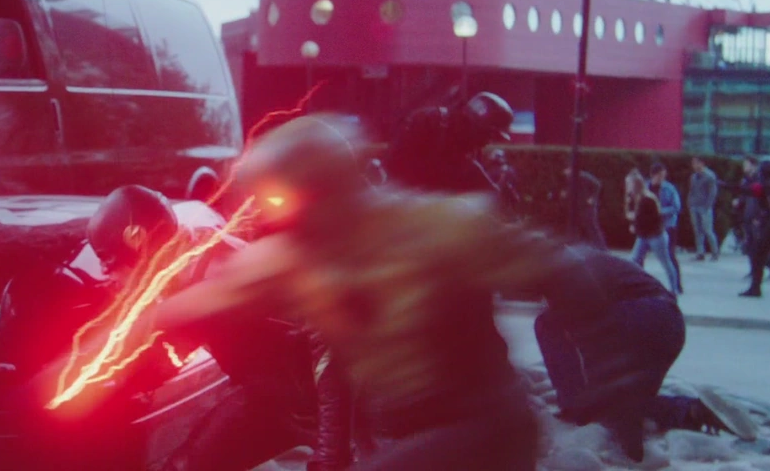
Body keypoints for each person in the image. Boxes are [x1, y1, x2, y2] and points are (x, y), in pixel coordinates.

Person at [151, 114, 605, 471]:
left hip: (481, 423)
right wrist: (138, 316)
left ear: (334, 189)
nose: (300, 228)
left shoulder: (436, 225)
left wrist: (606, 360)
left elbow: (556, 266)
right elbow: (197, 303)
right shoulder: (294, 256)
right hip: (400, 425)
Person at [84, 185, 353, 471]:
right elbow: (170, 351)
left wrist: (331, 450)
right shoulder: (180, 273)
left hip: (331, 405)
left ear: (137, 240)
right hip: (267, 399)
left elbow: (328, 344)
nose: (109, 276)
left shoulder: (220, 270)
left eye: (110, 262)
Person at [532, 245, 758, 461]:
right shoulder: (579, 257)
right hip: (670, 323)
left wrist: (586, 406)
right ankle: (694, 411)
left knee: (547, 325)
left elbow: (596, 340)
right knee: (631, 403)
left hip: (639, 319)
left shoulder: (565, 277)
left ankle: (575, 404)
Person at [383, 91, 514, 194]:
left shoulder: (469, 146)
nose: (488, 141)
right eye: (489, 134)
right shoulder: (428, 123)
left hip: (441, 211)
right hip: (407, 205)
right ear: (477, 127)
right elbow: (394, 169)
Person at [626, 169, 681, 295]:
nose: (627, 187)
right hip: (644, 235)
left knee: (665, 262)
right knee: (634, 260)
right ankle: (638, 286)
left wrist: (635, 220)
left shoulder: (647, 198)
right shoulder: (637, 197)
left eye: (629, 184)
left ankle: (674, 289)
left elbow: (652, 218)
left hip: (656, 235)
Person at [742, 158, 770, 297]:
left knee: (759, 255)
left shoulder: (767, 185)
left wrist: (726, 185)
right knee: (760, 255)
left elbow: (750, 191)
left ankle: (756, 287)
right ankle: (755, 287)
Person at [649, 163, 685, 294]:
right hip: (650, 226)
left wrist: (660, 211)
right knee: (638, 255)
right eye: (659, 176)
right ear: (653, 175)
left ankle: (677, 285)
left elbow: (676, 207)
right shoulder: (646, 187)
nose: (662, 178)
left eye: (663, 176)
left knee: (670, 254)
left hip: (668, 225)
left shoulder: (669, 188)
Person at [561, 165, 608, 249]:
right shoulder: (570, 179)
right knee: (580, 225)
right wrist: (566, 193)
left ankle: (601, 247)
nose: (566, 174)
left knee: (591, 225)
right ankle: (579, 244)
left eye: (567, 171)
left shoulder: (582, 176)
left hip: (588, 205)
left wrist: (592, 197)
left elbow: (597, 184)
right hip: (579, 206)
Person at [688, 157, 720, 261]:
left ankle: (715, 252)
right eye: (693, 164)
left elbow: (712, 193)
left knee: (708, 230)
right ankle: (700, 252)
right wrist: (690, 203)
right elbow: (691, 191)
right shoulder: (693, 177)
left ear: (702, 163)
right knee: (698, 231)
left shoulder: (709, 176)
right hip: (694, 206)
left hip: (704, 207)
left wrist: (708, 206)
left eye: (696, 163)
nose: (694, 166)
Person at [486, 149, 523, 219]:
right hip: (500, 195)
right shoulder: (504, 169)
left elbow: (514, 182)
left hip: (503, 195)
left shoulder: (504, 170)